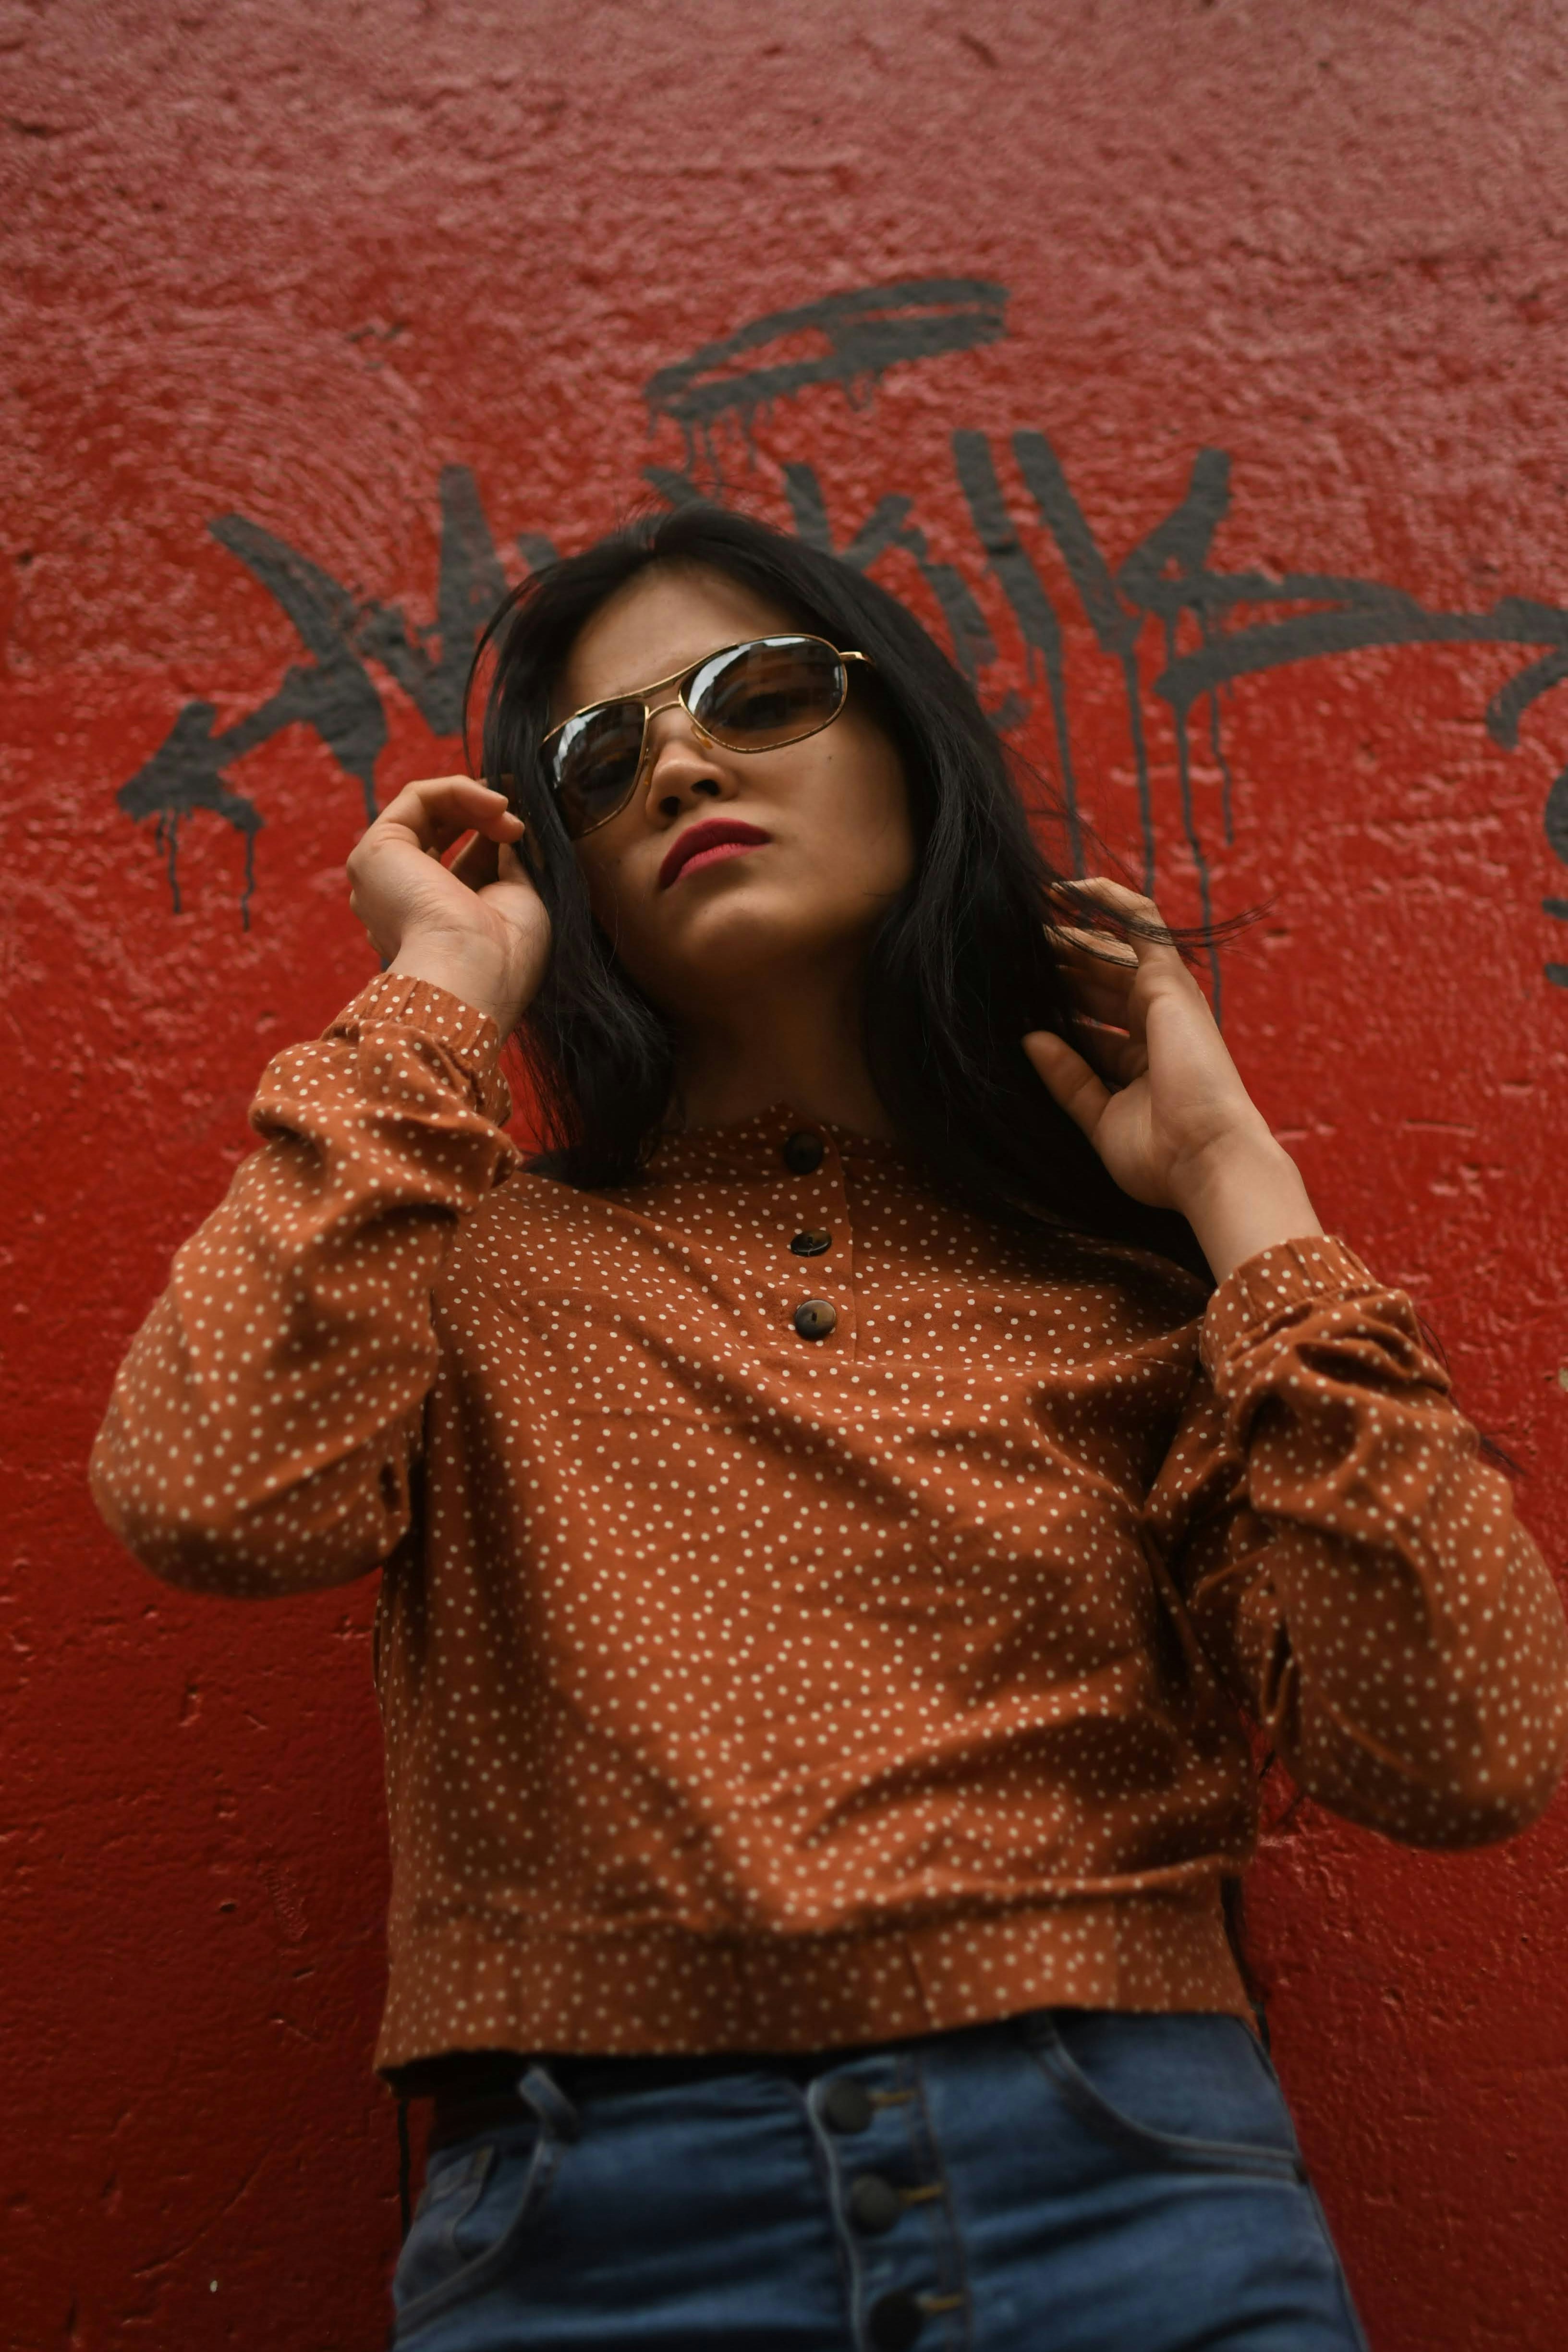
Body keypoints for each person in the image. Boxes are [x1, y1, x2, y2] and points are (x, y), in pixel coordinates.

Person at [90, 505, 1568, 2352]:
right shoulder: (467, 1258)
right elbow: (205, 1491)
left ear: (907, 751)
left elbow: (1470, 1744)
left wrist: (1230, 1184)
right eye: (601, 755)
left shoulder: (1140, 1307)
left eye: (759, 693)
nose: (681, 758)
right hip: (593, 2230)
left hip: (1132, 2193)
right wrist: (437, 995)